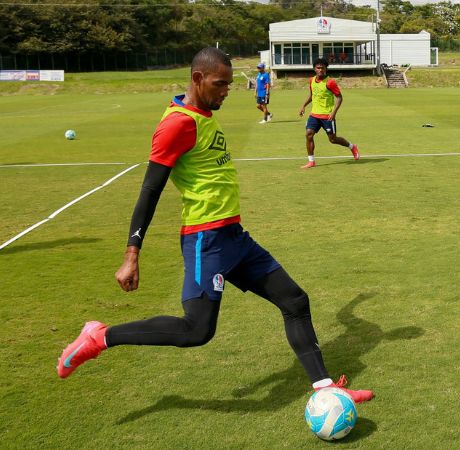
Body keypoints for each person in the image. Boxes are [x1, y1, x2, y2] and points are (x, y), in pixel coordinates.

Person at [56, 47, 374, 404]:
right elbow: (150, 189)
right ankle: (100, 337)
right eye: (220, 84)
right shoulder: (177, 124)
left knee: (295, 300)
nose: (226, 91)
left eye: (228, 84)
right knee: (197, 329)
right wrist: (132, 253)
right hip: (205, 240)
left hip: (235, 237)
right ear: (198, 79)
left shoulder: (203, 114)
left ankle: (325, 388)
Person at [298, 58, 359, 169]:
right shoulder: (311, 80)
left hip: (327, 116)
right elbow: (312, 95)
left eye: (322, 68)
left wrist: (334, 113)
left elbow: (339, 98)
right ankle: (311, 161)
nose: (320, 70)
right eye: (318, 68)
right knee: (308, 134)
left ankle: (352, 146)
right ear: (314, 69)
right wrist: (303, 106)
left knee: (333, 139)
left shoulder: (330, 82)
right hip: (314, 115)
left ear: (326, 69)